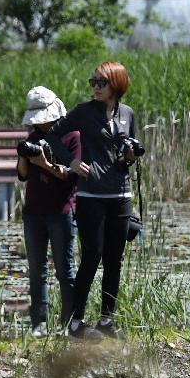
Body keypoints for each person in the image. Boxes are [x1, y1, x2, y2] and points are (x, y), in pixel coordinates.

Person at [45, 61, 143, 340]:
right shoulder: (84, 112)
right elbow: (53, 136)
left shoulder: (127, 114)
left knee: (115, 260)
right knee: (92, 256)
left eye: (101, 82)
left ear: (117, 85)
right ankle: (75, 323)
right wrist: (71, 162)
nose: (95, 87)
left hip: (121, 194)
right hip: (91, 195)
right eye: (93, 82)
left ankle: (106, 320)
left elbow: (129, 151)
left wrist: (130, 156)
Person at [16, 86, 80, 338]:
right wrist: (24, 155)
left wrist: (45, 164)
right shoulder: (31, 137)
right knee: (36, 270)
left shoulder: (72, 136)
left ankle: (68, 323)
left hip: (61, 211)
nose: (39, 125)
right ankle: (38, 324)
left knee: (65, 270)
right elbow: (22, 175)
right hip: (33, 212)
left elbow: (72, 177)